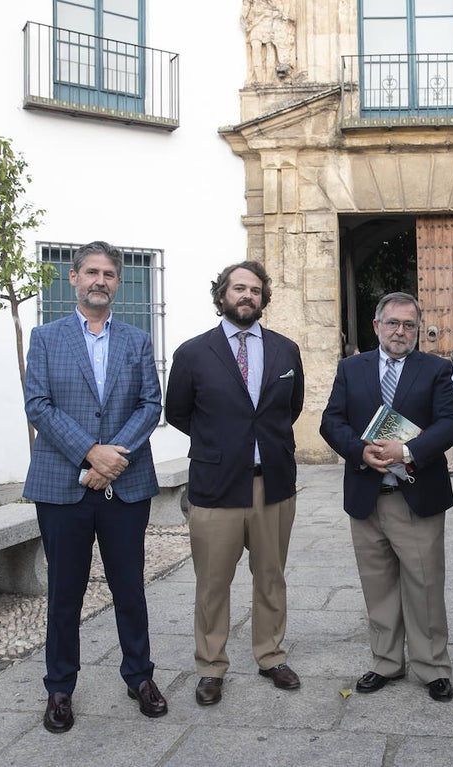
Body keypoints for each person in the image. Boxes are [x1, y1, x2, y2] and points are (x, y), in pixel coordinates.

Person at [23, 240, 167, 734]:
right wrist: (90, 451)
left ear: (117, 282)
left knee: (130, 587)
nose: (100, 280)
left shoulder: (137, 340)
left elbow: (151, 405)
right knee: (65, 591)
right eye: (91, 272)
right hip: (62, 486)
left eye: (109, 273)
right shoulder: (45, 337)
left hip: (124, 487)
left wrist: (111, 460)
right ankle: (60, 687)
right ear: (74, 279)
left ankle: (140, 677)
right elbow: (38, 404)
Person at [166, 261, 305, 706]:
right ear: (222, 295)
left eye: (255, 289)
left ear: (264, 298)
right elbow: (179, 412)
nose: (247, 295)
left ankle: (270, 656)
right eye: (238, 288)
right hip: (217, 484)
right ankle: (210, 666)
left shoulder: (286, 351)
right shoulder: (192, 353)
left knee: (270, 577)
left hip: (273, 484)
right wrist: (223, 443)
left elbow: (291, 407)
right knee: (212, 581)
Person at [319, 292, 453, 702]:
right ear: (377, 325)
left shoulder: (436, 369)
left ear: (419, 329)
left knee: (425, 584)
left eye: (409, 325)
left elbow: (451, 423)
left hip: (415, 495)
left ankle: (432, 666)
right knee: (377, 585)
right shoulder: (351, 368)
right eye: (393, 323)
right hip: (366, 495)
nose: (401, 331)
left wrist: (408, 450)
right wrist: (359, 450)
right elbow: (332, 420)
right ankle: (385, 662)